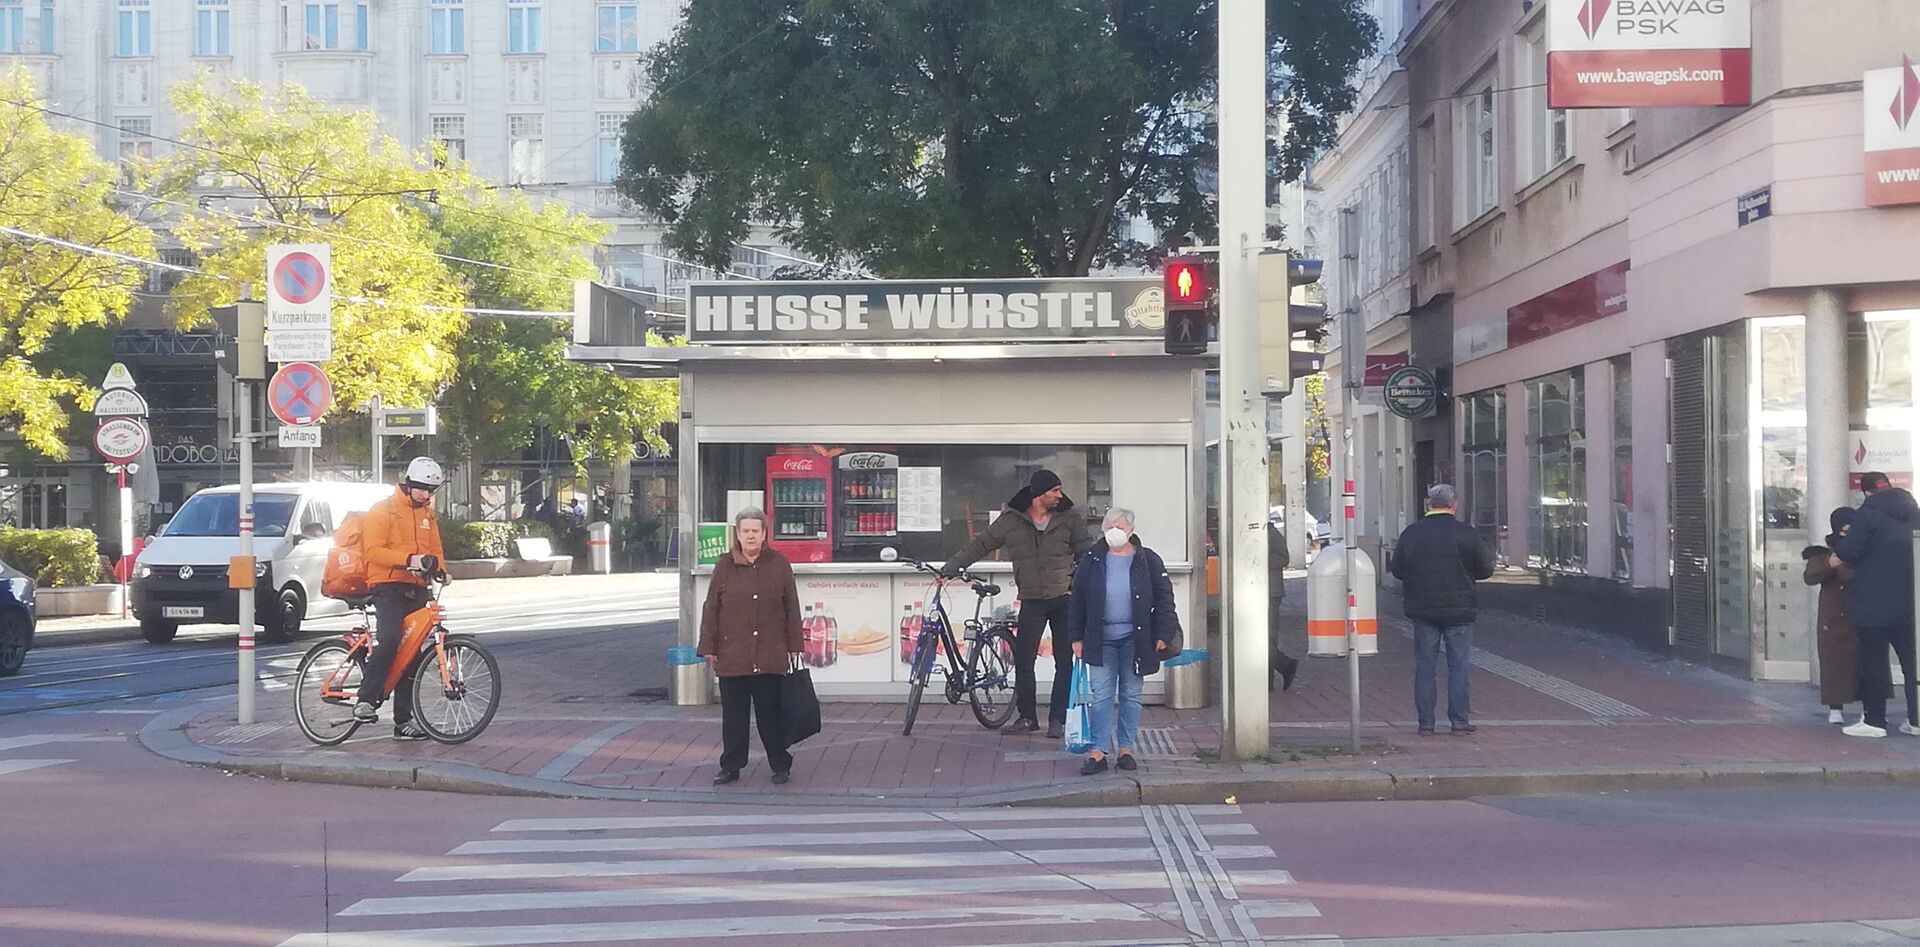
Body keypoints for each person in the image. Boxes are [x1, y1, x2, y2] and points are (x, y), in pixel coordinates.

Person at [944, 469, 1097, 737]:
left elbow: (1086, 552)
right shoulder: (1011, 520)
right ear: (1039, 495)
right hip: (1031, 598)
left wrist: (1075, 587)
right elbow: (980, 545)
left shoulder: (1069, 517)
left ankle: (1058, 720)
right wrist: (951, 567)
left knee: (1065, 661)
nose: (1060, 496)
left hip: (1064, 598)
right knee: (1024, 661)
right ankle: (1027, 718)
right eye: (1054, 491)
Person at [1067, 508, 1180, 775]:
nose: (1114, 532)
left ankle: (1126, 749)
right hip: (1100, 638)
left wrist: (1164, 633)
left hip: (1136, 638)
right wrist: (1075, 636)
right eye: (1109, 527)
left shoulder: (1147, 560)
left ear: (1130, 530)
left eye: (1119, 527)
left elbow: (1165, 599)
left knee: (1131, 694)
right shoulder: (1092, 559)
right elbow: (1077, 599)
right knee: (1102, 694)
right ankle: (1098, 751)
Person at [698, 507, 804, 784]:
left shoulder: (779, 564)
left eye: (755, 531)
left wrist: (795, 643)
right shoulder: (724, 566)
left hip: (769, 653)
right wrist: (708, 646)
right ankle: (731, 766)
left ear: (764, 533)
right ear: (737, 534)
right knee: (734, 716)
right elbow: (711, 608)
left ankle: (780, 764)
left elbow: (791, 606)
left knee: (770, 714)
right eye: (745, 531)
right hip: (732, 654)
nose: (750, 536)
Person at [353, 457, 449, 740]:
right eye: (421, 489)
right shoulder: (383, 511)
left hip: (415, 586)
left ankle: (403, 721)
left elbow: (435, 549)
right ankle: (365, 701)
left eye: (431, 490)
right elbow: (373, 551)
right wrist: (408, 559)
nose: (426, 495)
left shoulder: (427, 514)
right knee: (392, 640)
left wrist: (442, 571)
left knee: (413, 653)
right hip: (386, 585)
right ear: (409, 484)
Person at [1390, 484, 1496, 736]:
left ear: (1428, 504)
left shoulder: (1411, 534)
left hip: (1423, 610)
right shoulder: (1466, 533)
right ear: (1453, 504)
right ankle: (1459, 721)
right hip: (1460, 612)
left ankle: (1426, 723)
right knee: (1458, 666)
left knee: (1424, 666)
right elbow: (1485, 569)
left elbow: (1397, 570)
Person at [1831, 472, 1920, 738]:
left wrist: (1841, 543)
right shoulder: (1912, 512)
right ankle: (1915, 720)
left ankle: (1874, 720)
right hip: (1910, 602)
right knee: (1912, 663)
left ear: (1866, 491)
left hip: (1874, 601)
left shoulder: (1867, 515)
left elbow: (1850, 552)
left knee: (1874, 662)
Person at [1803, 507, 1859, 725]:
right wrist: (1830, 565)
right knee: (1834, 661)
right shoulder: (1822, 553)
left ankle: (1868, 707)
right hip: (1834, 616)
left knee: (1863, 662)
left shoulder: (1863, 548)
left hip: (1859, 612)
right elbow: (1811, 577)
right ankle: (1835, 707)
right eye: (1845, 530)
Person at [1267, 520, 1301, 691]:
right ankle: (1271, 677)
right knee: (1262, 638)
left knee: (1267, 638)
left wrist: (1259, 561)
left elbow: (1284, 558)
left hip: (1271, 592)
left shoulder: (1270, 532)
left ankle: (1285, 666)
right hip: (1254, 590)